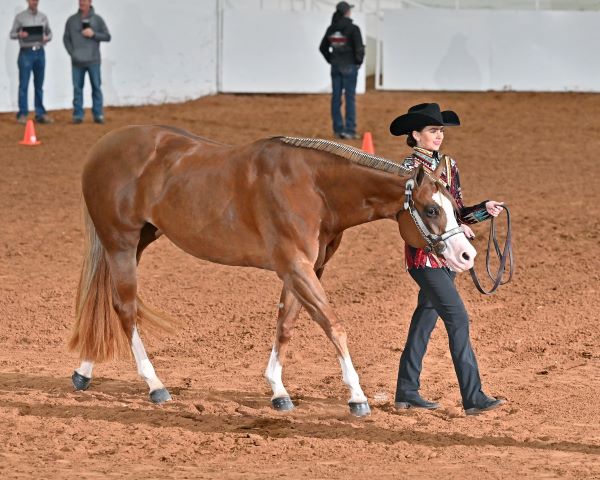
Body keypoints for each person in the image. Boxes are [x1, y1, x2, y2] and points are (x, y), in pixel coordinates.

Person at [390, 103, 506, 415]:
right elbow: (415, 217)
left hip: (447, 257)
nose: (438, 135)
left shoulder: (449, 165)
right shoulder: (407, 170)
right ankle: (474, 397)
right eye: (432, 130)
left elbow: (456, 211)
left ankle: (406, 391)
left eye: (440, 130)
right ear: (415, 135)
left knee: (424, 322)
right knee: (457, 318)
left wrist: (483, 210)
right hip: (424, 259)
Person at [319, 1, 364, 140]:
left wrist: (331, 60)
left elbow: (323, 48)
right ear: (347, 12)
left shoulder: (331, 28)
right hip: (349, 66)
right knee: (349, 98)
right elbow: (359, 49)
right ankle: (349, 130)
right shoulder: (353, 28)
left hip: (336, 67)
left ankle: (338, 130)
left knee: (336, 99)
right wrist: (357, 63)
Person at [63, 0, 111, 124]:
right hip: (77, 62)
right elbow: (66, 38)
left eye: (84, 0)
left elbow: (107, 36)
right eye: (80, 0)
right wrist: (72, 53)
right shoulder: (71, 20)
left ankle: (98, 114)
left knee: (96, 87)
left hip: (93, 61)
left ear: (90, 2)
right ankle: (78, 115)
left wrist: (94, 34)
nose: (81, 2)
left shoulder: (97, 20)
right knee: (77, 89)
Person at [9, 0, 53, 124]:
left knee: (39, 85)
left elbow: (50, 34)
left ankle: (40, 114)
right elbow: (12, 34)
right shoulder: (20, 17)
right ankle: (22, 114)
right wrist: (20, 34)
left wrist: (46, 38)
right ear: (28, 1)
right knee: (24, 85)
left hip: (40, 52)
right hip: (26, 53)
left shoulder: (43, 17)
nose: (35, 2)